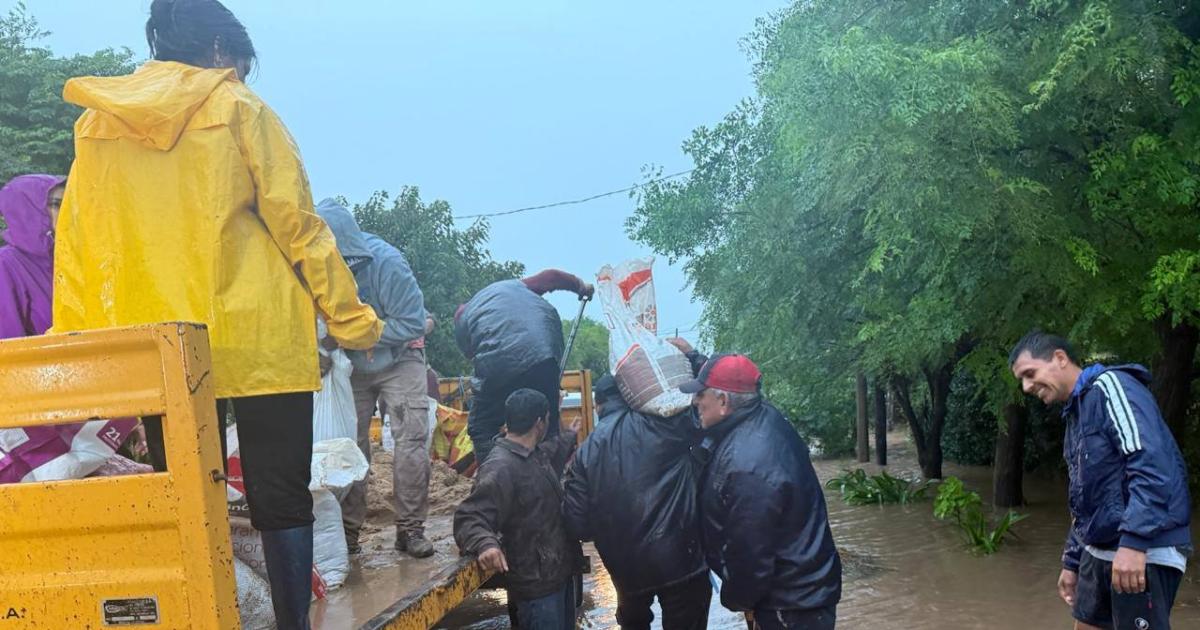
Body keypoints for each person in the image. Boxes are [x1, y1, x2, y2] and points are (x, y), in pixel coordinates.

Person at [52, 2, 382, 627]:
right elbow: (300, 227)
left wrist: (82, 342)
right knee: (281, 499)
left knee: (184, 493)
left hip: (166, 348)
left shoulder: (101, 121)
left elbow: (80, 242)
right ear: (220, 52)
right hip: (257, 337)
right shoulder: (240, 109)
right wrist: (352, 321)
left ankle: (194, 616)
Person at [1009, 331, 1191, 630]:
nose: (1027, 387)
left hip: (1143, 551)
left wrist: (1134, 543)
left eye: (1030, 373)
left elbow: (1152, 465)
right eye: (1022, 380)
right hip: (1099, 551)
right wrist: (1072, 561)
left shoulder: (1111, 387)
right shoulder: (1075, 414)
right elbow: (1084, 499)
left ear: (1060, 358)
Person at [679, 349, 841, 630]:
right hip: (801, 595)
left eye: (700, 394)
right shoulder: (760, 417)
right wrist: (694, 357)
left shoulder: (748, 464)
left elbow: (751, 554)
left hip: (789, 606)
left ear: (723, 401)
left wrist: (737, 599)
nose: (695, 402)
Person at [317, 199, 434, 558]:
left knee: (411, 439)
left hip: (400, 359)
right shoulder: (310, 269)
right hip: (350, 366)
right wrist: (320, 351)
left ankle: (410, 530)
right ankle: (347, 535)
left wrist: (360, 334)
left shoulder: (388, 266)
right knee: (345, 447)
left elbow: (414, 323)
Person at [562, 368, 711, 629]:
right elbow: (703, 415)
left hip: (626, 573)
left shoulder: (585, 455)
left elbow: (577, 525)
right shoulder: (663, 425)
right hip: (681, 560)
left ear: (598, 406)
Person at [454, 389, 581, 629]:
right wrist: (486, 544)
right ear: (539, 423)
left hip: (556, 575)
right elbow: (469, 516)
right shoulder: (501, 467)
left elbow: (553, 451)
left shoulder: (533, 454)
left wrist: (569, 436)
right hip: (535, 589)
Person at [454, 269, 593, 463]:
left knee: (481, 427)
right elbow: (552, 277)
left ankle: (492, 478)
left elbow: (472, 356)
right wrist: (581, 286)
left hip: (499, 359)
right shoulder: (516, 286)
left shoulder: (464, 315)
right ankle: (550, 479)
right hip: (544, 354)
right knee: (547, 422)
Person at [0, 174, 63, 340]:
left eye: (69, 202)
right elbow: (8, 342)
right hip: (38, 363)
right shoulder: (5, 263)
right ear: (26, 209)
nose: (68, 210)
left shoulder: (68, 258)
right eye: (57, 204)